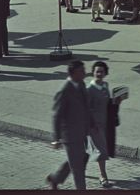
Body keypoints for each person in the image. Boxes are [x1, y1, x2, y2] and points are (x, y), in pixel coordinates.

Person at [47, 60, 93, 191]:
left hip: (81, 132)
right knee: (78, 167)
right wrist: (56, 138)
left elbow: (86, 106)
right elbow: (57, 115)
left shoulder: (81, 84)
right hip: (70, 136)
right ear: (73, 73)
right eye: (81, 71)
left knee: (77, 159)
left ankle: (56, 178)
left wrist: (91, 124)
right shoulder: (64, 90)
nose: (84, 73)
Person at [87, 60, 121, 188]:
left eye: (102, 72)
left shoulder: (105, 86)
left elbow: (107, 104)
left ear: (105, 73)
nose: (99, 74)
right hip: (94, 126)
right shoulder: (89, 90)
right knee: (101, 151)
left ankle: (73, 166)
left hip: (105, 124)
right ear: (93, 73)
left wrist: (116, 101)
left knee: (89, 150)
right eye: (97, 72)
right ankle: (103, 176)